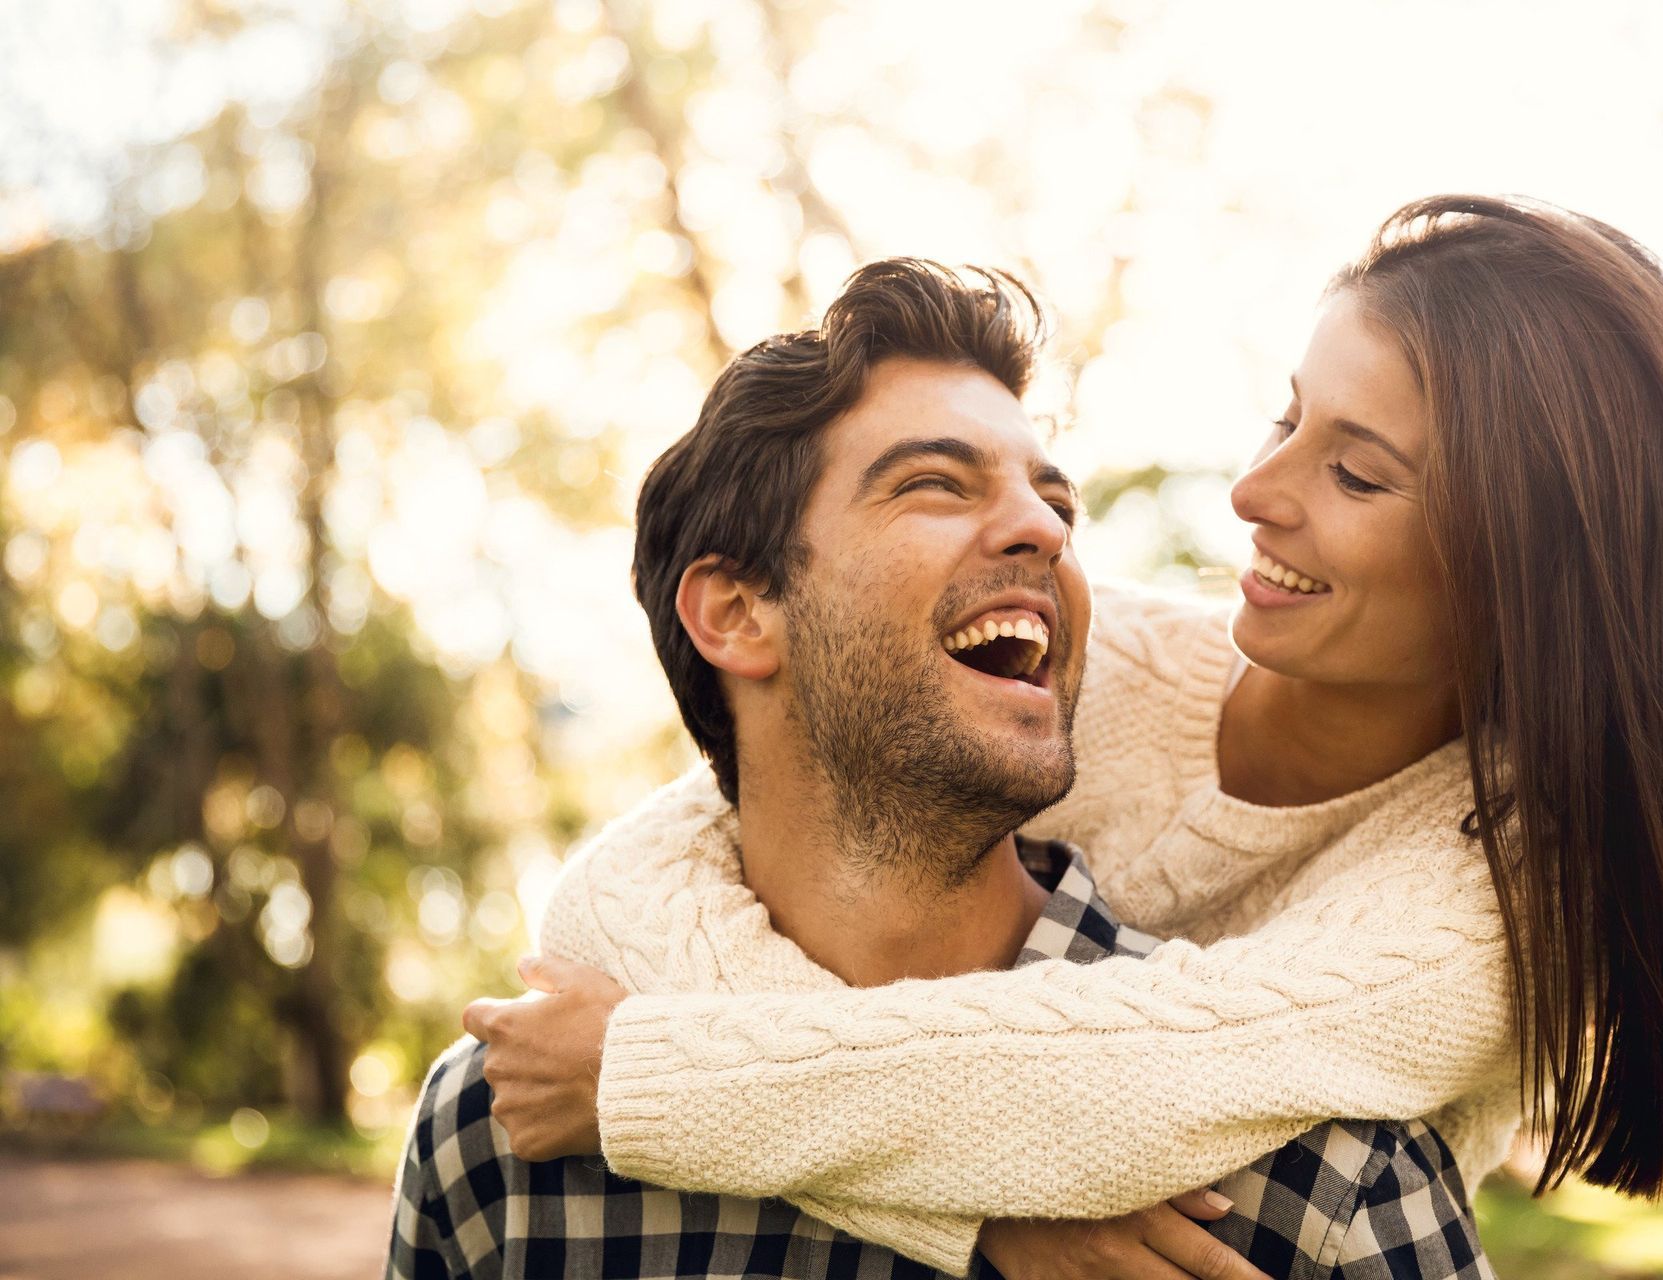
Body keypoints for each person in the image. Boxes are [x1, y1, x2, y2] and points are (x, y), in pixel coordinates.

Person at [468, 197, 1663, 1278]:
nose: (1252, 492)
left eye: (1356, 471)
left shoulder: (1491, 903)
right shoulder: (1080, 667)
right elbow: (651, 866)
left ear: (1518, 578)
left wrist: (645, 1081)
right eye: (1288, 418)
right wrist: (971, 1213)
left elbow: (1130, 1092)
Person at [398, 258, 1492, 1280]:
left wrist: (649, 1082)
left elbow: (1211, 1056)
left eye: (1057, 502)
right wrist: (970, 1208)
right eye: (934, 483)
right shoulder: (501, 1141)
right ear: (736, 611)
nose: (1048, 531)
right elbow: (626, 872)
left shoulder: (1319, 1189)